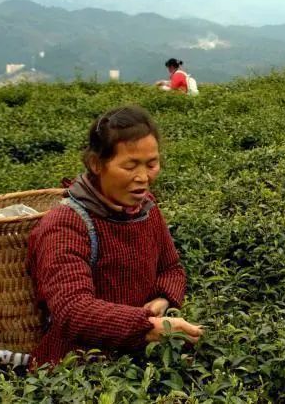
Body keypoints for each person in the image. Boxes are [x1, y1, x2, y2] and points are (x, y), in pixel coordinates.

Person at [28, 105, 202, 366]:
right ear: (97, 164)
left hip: (139, 359)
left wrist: (163, 300)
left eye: (152, 164)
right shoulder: (65, 225)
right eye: (130, 166)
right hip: (77, 367)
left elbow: (171, 268)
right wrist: (147, 327)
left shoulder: (147, 210)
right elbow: (73, 310)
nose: (143, 177)